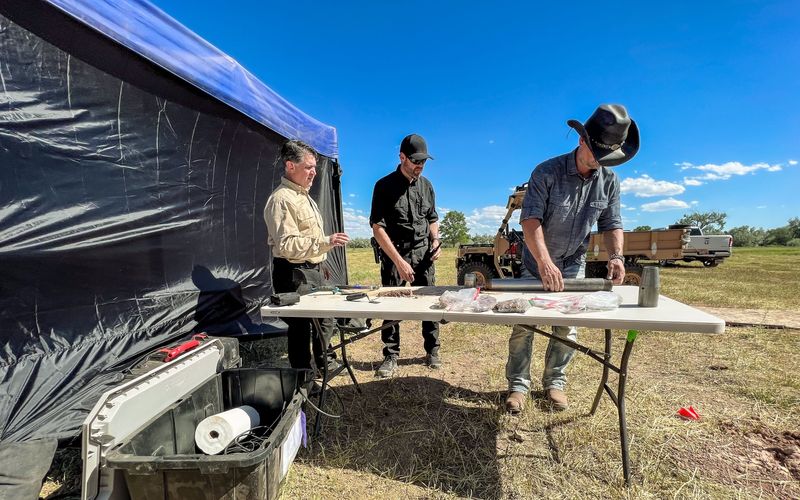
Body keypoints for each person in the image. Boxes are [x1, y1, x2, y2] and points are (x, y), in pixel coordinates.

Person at [505, 104, 639, 414]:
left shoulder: (609, 181)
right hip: (535, 261)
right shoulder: (546, 172)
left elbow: (612, 224)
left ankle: (555, 383)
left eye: (607, 159)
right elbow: (531, 221)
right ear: (582, 141)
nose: (600, 163)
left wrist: (616, 256)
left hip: (573, 262)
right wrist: (544, 262)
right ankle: (517, 386)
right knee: (525, 324)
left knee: (567, 326)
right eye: (596, 155)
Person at [264, 140, 350, 379]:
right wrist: (325, 242)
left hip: (311, 269)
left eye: (315, 167)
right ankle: (302, 378)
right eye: (309, 166)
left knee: (324, 319)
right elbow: (287, 245)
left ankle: (325, 364)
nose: (314, 172)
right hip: (293, 272)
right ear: (290, 166)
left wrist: (320, 262)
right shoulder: (281, 200)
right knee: (300, 328)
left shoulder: (305, 197)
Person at [369, 134, 442, 377]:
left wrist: (436, 240)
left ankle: (432, 350)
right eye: (415, 161)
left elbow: (433, 218)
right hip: (394, 251)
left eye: (424, 162)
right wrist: (398, 261)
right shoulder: (383, 186)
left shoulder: (427, 186)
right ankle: (391, 355)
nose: (420, 166)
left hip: (423, 251)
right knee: (391, 303)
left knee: (430, 301)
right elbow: (378, 227)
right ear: (402, 157)